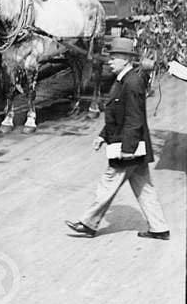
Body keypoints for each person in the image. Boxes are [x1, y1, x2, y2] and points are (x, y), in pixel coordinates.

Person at [66, 38, 169, 240]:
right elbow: (117, 114)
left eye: (113, 58)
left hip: (128, 146)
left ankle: (88, 223)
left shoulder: (132, 83)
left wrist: (128, 148)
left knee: (108, 181)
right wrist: (102, 135)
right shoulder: (123, 79)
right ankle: (159, 228)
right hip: (131, 144)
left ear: (126, 59)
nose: (109, 61)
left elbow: (134, 118)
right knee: (144, 188)